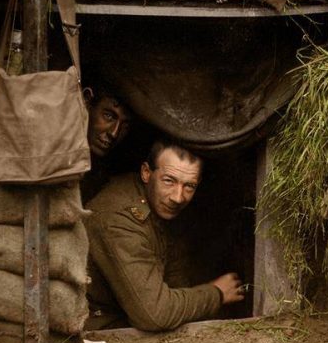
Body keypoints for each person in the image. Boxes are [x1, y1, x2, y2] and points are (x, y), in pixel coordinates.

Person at [83, 139, 245, 331]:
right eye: (169, 181)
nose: (178, 197)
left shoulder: (159, 204)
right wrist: (216, 294)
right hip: (99, 328)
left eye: (189, 186)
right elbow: (155, 315)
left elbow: (175, 278)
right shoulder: (120, 220)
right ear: (146, 173)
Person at [80, 85, 132, 203]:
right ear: (86, 101)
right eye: (108, 116)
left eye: (125, 125)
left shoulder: (108, 176)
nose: (114, 133)